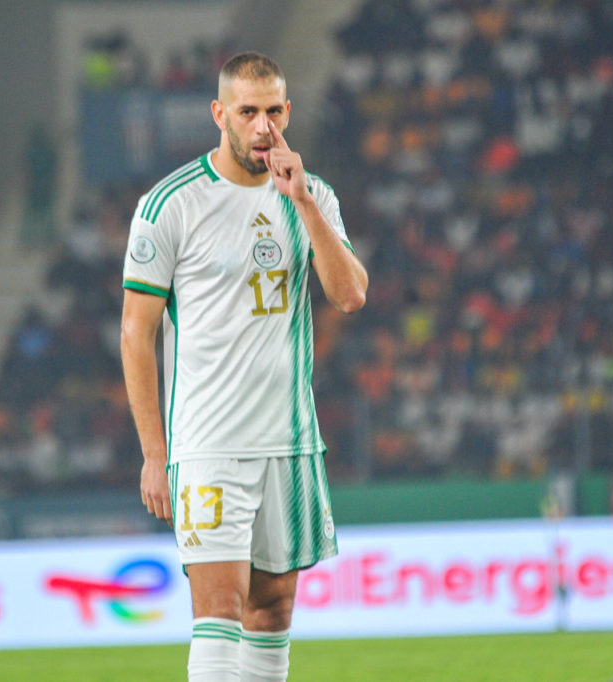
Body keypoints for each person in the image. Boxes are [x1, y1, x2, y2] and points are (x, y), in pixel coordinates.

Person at [120, 52, 367, 681]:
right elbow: (135, 332)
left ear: (289, 111)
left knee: (273, 609)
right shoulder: (170, 204)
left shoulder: (313, 197)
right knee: (220, 610)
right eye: (248, 112)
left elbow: (350, 295)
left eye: (274, 111)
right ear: (219, 114)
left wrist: (305, 204)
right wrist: (155, 451)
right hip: (208, 443)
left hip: (288, 442)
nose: (263, 127)